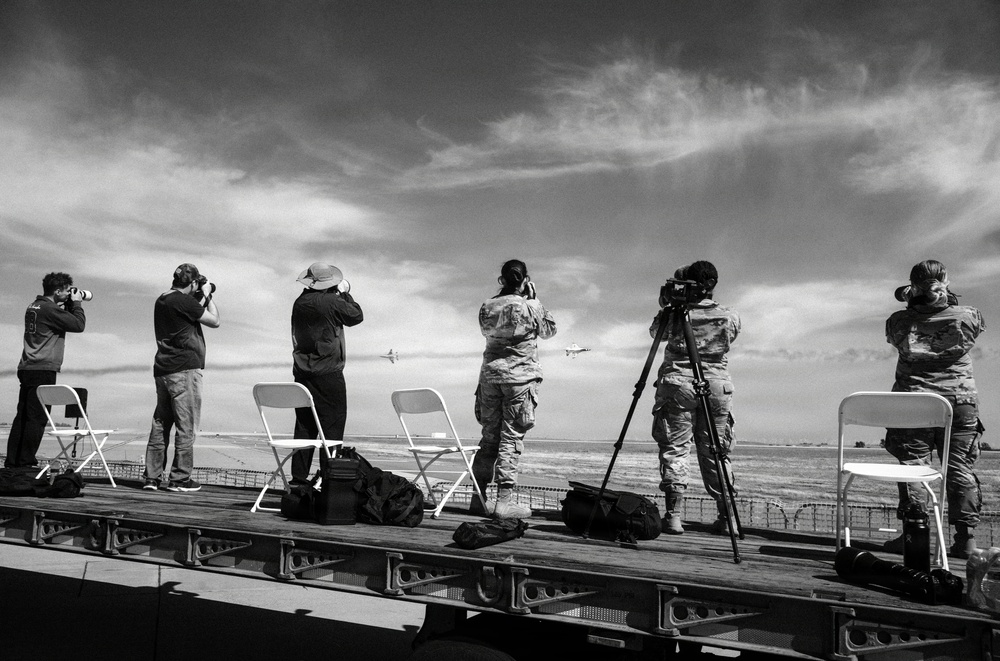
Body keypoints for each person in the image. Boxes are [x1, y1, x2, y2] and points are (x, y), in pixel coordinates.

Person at [883, 259, 985, 559]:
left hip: (914, 402)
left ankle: (913, 535)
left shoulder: (899, 322)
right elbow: (949, 307)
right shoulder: (969, 317)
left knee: (914, 466)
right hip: (960, 401)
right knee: (959, 469)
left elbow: (896, 335)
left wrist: (913, 301)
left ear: (913, 289)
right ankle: (965, 539)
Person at [650, 261, 740, 535]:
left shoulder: (677, 314)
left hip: (678, 385)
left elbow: (656, 333)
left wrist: (667, 305)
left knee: (676, 449)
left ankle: (674, 517)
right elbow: (730, 337)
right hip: (716, 387)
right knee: (716, 452)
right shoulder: (729, 316)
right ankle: (728, 518)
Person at [471, 259, 556, 519]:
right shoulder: (531, 306)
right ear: (524, 279)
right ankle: (504, 501)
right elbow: (549, 331)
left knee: (489, 439)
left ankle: (478, 496)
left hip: (490, 378)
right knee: (510, 439)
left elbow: (488, 332)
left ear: (502, 279)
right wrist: (534, 299)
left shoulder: (487, 306)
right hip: (519, 380)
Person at [143, 263, 220, 492]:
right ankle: (180, 479)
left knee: (161, 424)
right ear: (193, 283)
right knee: (186, 426)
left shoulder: (163, 299)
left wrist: (199, 295)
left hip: (163, 368)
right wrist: (207, 295)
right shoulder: (185, 301)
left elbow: (187, 314)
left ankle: (152, 478)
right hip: (184, 368)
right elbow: (214, 321)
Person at [289, 262, 363, 483]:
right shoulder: (332, 301)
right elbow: (356, 316)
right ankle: (330, 481)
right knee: (331, 429)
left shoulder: (299, 302)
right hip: (329, 373)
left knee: (305, 427)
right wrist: (345, 293)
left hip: (302, 373)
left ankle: (298, 480)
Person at [5, 272, 87, 470]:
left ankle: (13, 462)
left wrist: (66, 305)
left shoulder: (35, 306)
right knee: (37, 418)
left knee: (22, 416)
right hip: (42, 368)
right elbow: (78, 325)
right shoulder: (50, 309)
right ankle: (26, 463)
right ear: (57, 291)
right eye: (67, 291)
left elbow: (59, 320)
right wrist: (76, 304)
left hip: (27, 366)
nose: (69, 294)